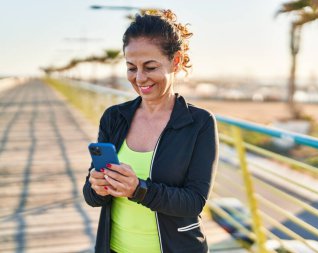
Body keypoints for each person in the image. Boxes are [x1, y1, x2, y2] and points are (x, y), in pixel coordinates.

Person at [83, 9, 218, 253]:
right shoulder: (114, 117)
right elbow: (92, 198)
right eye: (131, 67)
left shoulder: (200, 123)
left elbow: (194, 202)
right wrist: (96, 186)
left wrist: (138, 190)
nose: (140, 78)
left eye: (150, 67)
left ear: (175, 61)